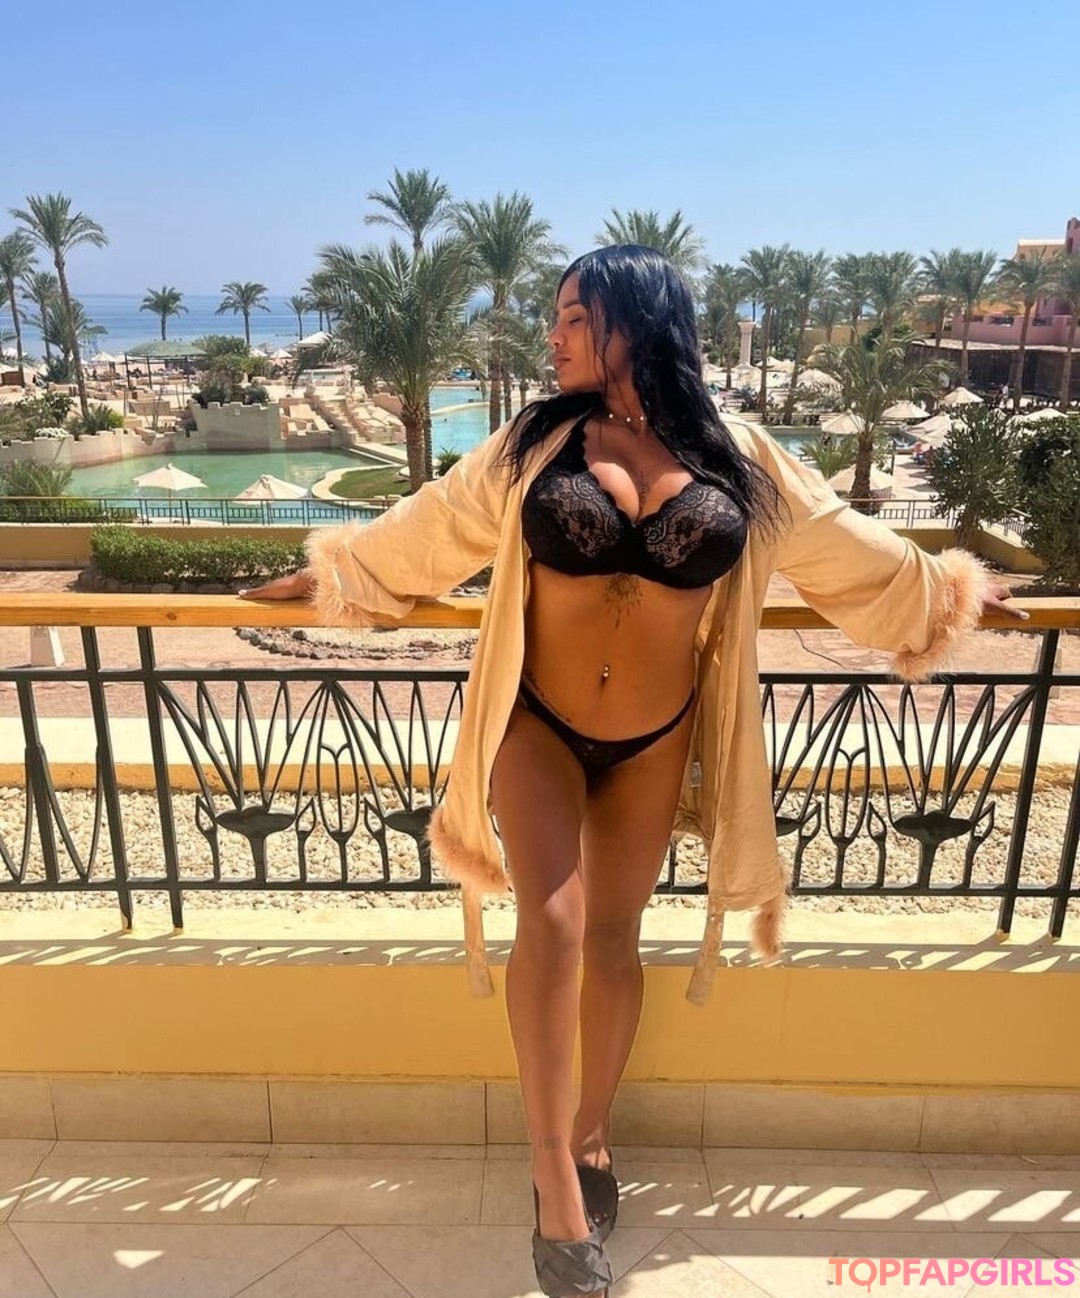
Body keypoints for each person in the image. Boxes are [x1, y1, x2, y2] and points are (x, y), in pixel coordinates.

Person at [240, 245, 1025, 1298]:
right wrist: (328, 573)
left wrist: (953, 592)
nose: (554, 335)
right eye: (557, 316)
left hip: (658, 736)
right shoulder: (533, 444)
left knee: (614, 935)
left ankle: (594, 1131)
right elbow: (433, 525)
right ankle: (553, 1176)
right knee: (554, 920)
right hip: (538, 721)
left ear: (639, 322)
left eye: (575, 315)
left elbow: (846, 549)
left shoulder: (742, 456)